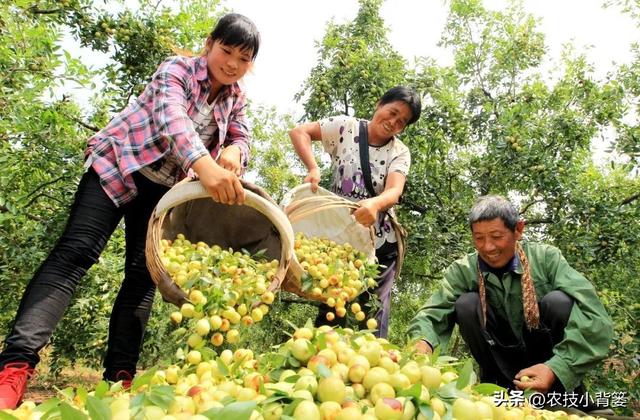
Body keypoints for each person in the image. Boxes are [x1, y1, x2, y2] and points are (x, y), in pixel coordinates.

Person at [0, 13, 260, 409]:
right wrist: (204, 166)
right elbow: (171, 117)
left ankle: (119, 378)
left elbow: (242, 133)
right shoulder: (177, 70)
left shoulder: (236, 96)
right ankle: (14, 368)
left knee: (143, 276)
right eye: (226, 51)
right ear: (209, 44)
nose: (232, 64)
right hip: (119, 166)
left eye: (243, 59)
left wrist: (234, 150)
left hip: (162, 190)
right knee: (77, 253)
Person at [408, 195, 613, 397]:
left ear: (518, 230)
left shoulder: (546, 259)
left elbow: (594, 315)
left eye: (496, 236)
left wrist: (557, 367)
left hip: (550, 367)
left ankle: (560, 389)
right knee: (466, 304)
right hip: (499, 368)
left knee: (559, 302)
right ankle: (496, 386)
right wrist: (423, 342)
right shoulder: (463, 270)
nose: (488, 247)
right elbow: (433, 312)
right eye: (479, 238)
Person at [289, 86, 422, 338]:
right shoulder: (345, 128)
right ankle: (321, 367)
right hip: (341, 242)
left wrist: (374, 204)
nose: (393, 122)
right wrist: (313, 167)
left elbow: (394, 191)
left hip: (380, 245)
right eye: (392, 112)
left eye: (401, 121)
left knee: (372, 316)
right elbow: (299, 132)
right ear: (379, 103)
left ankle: (375, 367)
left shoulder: (399, 152)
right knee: (331, 309)